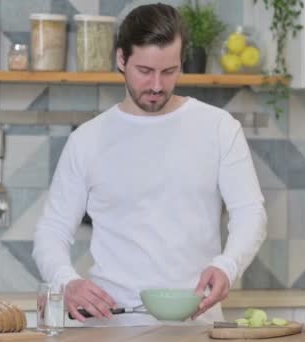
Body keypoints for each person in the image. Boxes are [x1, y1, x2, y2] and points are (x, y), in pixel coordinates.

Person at [33, 3, 267, 327]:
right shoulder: (87, 140)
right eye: (145, 71)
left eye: (169, 71)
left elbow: (250, 212)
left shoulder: (219, 128)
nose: (157, 85)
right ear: (121, 59)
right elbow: (52, 230)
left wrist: (228, 266)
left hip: (197, 325)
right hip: (112, 326)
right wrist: (66, 280)